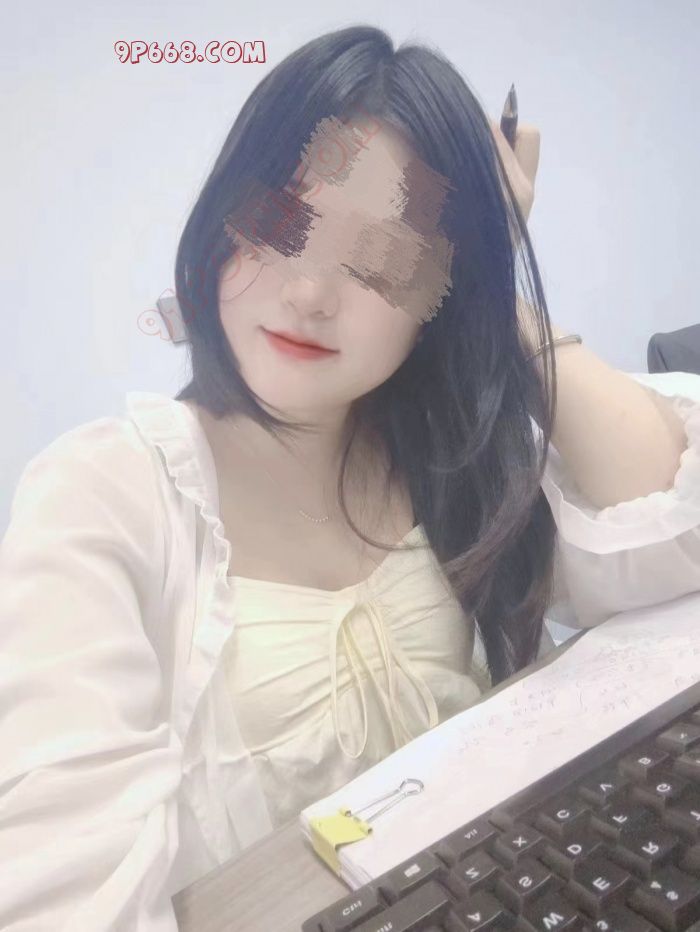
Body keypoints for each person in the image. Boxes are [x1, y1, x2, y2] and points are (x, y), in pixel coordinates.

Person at [2, 24, 700, 932]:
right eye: (278, 223)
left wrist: (498, 286)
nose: (308, 294)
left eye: (383, 258)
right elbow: (60, 897)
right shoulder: (105, 496)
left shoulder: (444, 449)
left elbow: (670, 534)